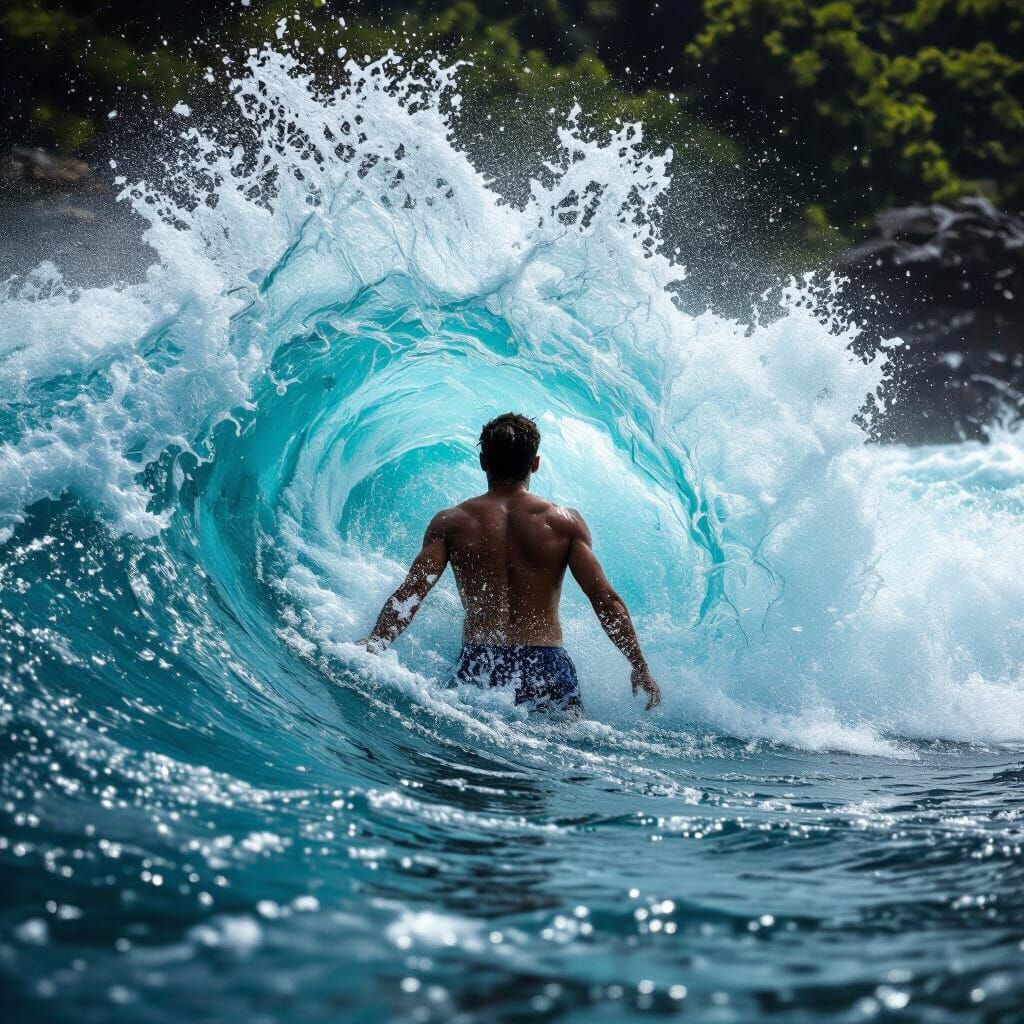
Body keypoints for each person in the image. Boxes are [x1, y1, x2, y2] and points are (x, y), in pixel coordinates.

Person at [359, 412, 662, 716]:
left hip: (481, 662)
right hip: (546, 664)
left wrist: (376, 642)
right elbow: (606, 601)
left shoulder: (452, 523)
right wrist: (639, 665)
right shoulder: (563, 523)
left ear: (483, 461)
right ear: (535, 464)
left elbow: (412, 592)